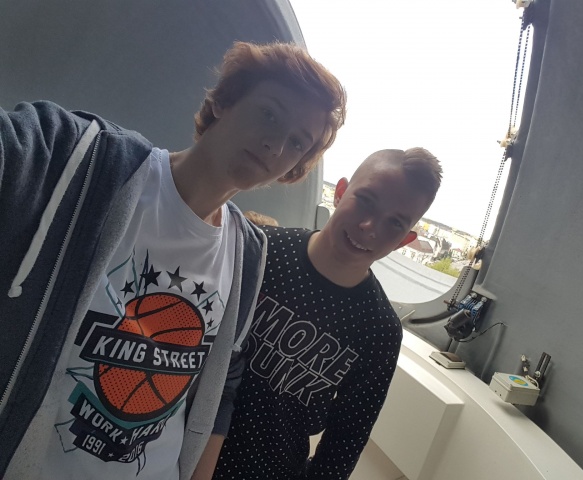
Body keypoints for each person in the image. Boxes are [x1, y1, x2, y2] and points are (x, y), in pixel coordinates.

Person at [0, 41, 346, 480]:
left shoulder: (248, 253)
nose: (275, 145)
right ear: (223, 101)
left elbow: (223, 382)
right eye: (269, 114)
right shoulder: (85, 159)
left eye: (298, 142)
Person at [214, 148, 442, 479]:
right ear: (340, 192)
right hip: (184, 445)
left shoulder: (380, 329)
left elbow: (344, 442)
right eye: (366, 201)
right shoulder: (259, 249)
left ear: (404, 241)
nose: (369, 227)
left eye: (394, 223)